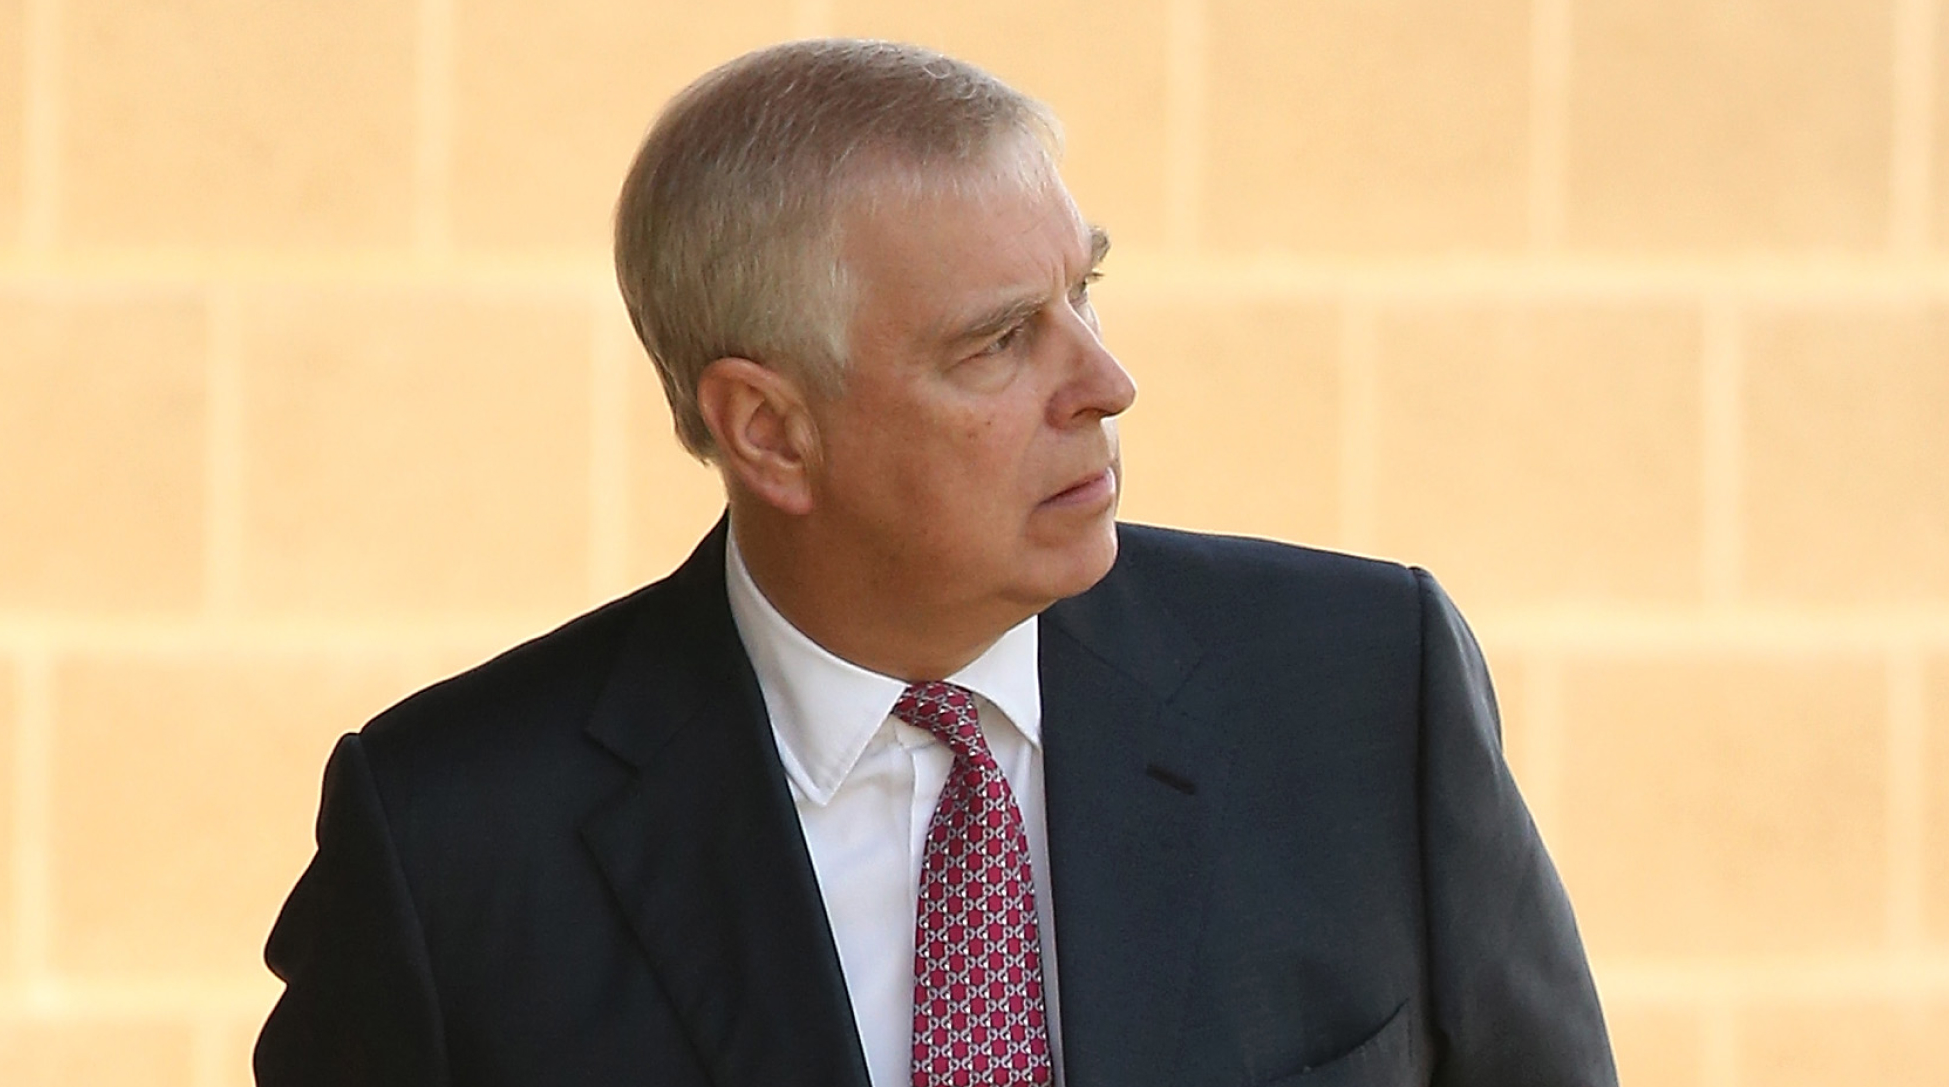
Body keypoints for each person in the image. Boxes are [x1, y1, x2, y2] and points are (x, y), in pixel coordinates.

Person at [254, 38, 1616, 1087]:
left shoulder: (1362, 689)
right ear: (769, 431)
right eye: (998, 342)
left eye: (1084, 294)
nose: (1106, 384)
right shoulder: (450, 842)